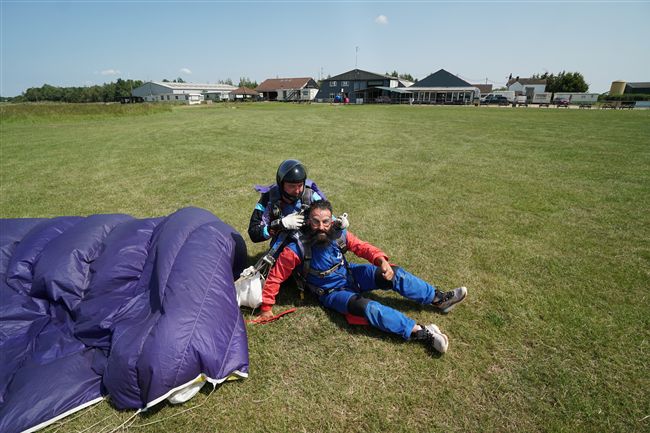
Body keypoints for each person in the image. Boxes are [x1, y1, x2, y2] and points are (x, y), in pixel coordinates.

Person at [257, 200, 468, 354]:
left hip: (351, 274)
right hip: (331, 292)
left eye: (326, 222)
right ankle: (421, 332)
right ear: (307, 222)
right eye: (315, 222)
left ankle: (439, 299)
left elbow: (362, 247)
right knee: (368, 307)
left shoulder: (339, 235)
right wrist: (266, 308)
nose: (321, 227)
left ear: (332, 221)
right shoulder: (296, 248)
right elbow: (276, 276)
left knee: (394, 274)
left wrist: (381, 261)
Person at [248, 159, 325, 244]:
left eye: (300, 185)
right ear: (281, 185)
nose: (297, 191)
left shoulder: (311, 196)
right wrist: (280, 224)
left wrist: (336, 225)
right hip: (283, 245)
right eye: (292, 186)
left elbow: (329, 221)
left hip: (310, 242)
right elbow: (253, 233)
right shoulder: (269, 199)